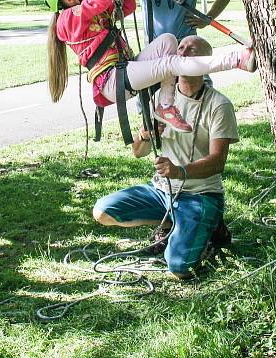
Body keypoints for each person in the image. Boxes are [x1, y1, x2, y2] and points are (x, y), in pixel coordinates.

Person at [44, 0, 253, 133]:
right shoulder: (68, 19)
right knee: (170, 64)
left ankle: (165, 106)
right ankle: (236, 60)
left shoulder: (88, 14)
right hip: (111, 80)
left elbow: (126, 6)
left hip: (124, 69)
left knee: (168, 41)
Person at [92, 35, 238, 279]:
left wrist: (179, 171)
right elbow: (138, 152)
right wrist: (145, 135)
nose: (183, 52)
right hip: (160, 190)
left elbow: (218, 161)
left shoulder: (219, 105)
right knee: (102, 212)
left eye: (193, 50)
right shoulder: (161, 98)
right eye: (180, 47)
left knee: (179, 268)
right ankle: (171, 223)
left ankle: (211, 227)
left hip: (200, 195)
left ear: (205, 63)